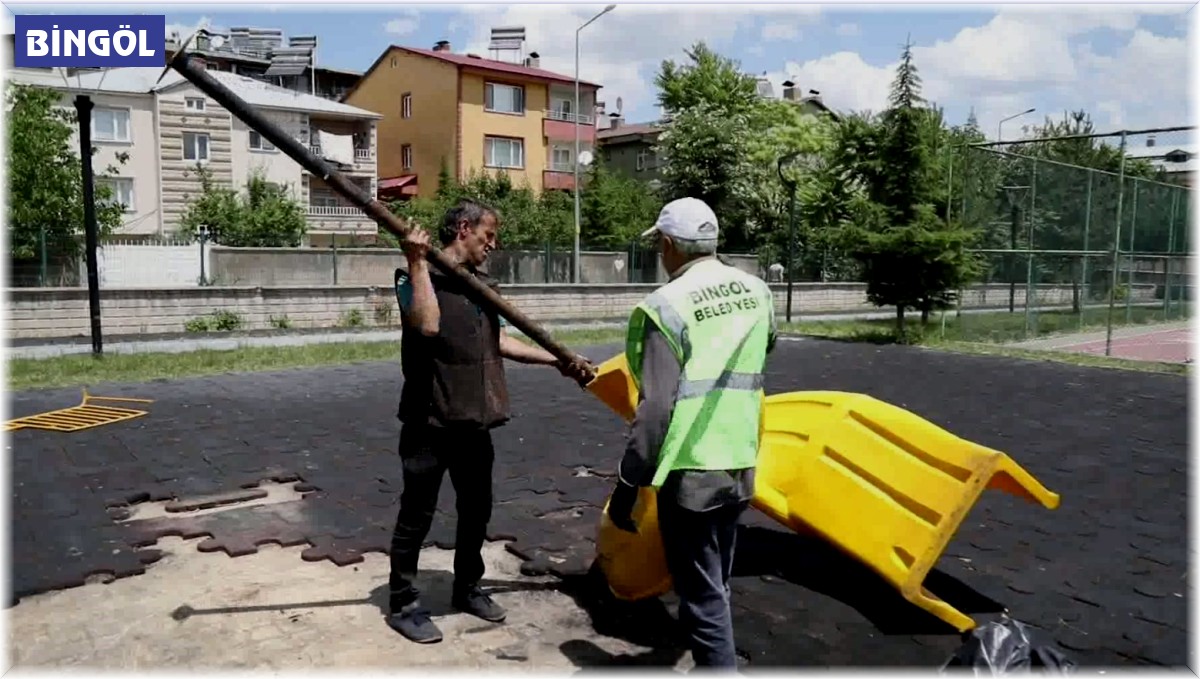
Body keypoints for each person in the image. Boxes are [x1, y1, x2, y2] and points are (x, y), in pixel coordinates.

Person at [389, 198, 591, 644]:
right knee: (416, 515)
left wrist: (556, 361)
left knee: (476, 511)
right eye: (488, 235)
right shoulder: (412, 276)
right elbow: (426, 325)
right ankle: (403, 602)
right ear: (463, 228)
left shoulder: (482, 285)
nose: (493, 244)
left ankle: (467, 588)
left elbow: (498, 344)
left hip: (474, 421)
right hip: (430, 421)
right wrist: (418, 262)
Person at [605, 197, 776, 669]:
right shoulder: (757, 291)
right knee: (717, 578)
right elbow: (764, 351)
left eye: (660, 246)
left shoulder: (667, 305)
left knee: (700, 594)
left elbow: (657, 409)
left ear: (668, 244)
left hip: (691, 470)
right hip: (740, 456)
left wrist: (627, 482)